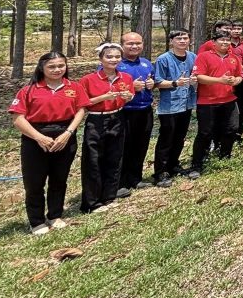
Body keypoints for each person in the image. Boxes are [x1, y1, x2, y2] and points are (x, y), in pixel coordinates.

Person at [8, 52, 90, 235]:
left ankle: (55, 215)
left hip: (65, 136)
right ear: (42, 68)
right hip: (35, 139)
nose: (57, 70)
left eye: (61, 65)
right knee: (34, 182)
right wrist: (39, 137)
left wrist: (68, 133)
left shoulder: (74, 87)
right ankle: (36, 221)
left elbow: (81, 110)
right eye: (51, 66)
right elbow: (18, 118)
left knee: (59, 179)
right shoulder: (28, 90)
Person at [77, 43, 135, 214]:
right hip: (96, 120)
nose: (113, 60)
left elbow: (130, 95)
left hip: (117, 118)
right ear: (101, 59)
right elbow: (83, 102)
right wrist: (102, 97)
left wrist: (128, 97)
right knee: (93, 160)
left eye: (117, 56)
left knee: (114, 158)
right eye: (109, 56)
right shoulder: (88, 79)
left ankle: (109, 197)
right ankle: (91, 202)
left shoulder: (125, 77)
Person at [191, 30, 243, 176]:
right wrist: (220, 80)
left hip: (229, 99)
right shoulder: (204, 56)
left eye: (227, 40)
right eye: (221, 40)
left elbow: (239, 75)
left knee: (232, 129)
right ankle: (197, 164)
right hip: (207, 101)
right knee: (205, 132)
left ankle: (225, 157)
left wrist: (236, 80)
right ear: (213, 42)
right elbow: (199, 77)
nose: (225, 43)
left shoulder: (234, 58)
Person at [152, 29, 197, 187]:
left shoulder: (193, 57)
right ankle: (161, 172)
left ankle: (173, 165)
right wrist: (175, 83)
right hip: (169, 106)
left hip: (187, 103)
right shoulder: (163, 59)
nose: (182, 41)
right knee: (166, 139)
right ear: (171, 41)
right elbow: (157, 82)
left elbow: (196, 75)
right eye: (178, 38)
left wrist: (194, 80)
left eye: (185, 38)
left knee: (180, 137)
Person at [117, 32, 156, 192]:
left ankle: (135, 178)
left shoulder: (146, 63)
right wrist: (131, 87)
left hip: (145, 110)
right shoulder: (115, 64)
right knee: (122, 147)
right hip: (124, 111)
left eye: (138, 43)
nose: (134, 46)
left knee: (141, 145)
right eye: (130, 43)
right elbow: (106, 87)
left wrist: (152, 83)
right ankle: (120, 183)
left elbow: (153, 81)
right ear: (122, 46)